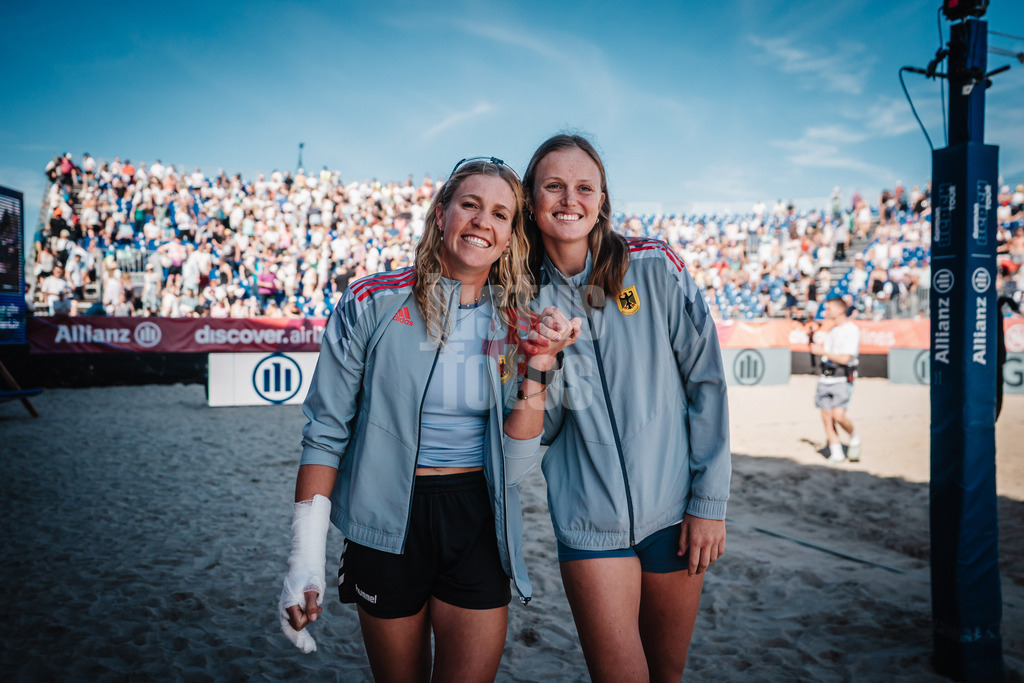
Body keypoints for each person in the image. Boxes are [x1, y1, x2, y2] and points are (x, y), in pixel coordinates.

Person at [279, 157, 580, 681]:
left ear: (510, 236)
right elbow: (325, 434)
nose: (483, 221)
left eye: (501, 214)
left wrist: (538, 367)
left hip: (479, 518)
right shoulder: (370, 300)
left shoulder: (519, 319)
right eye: (470, 204)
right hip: (384, 520)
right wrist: (304, 559)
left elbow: (513, 465)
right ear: (441, 214)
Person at [522, 134, 731, 681]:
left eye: (585, 187)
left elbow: (705, 382)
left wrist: (710, 502)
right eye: (554, 186)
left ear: (602, 200)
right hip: (591, 525)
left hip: (675, 514)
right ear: (530, 200)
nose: (571, 199)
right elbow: (536, 431)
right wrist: (542, 365)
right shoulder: (517, 297)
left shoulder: (655, 265)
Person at [809, 295, 861, 463]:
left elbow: (845, 359)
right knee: (826, 416)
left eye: (829, 308)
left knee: (838, 416)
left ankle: (853, 437)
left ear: (840, 309)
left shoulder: (851, 329)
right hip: (826, 378)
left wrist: (821, 352)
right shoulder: (831, 331)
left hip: (842, 379)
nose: (826, 311)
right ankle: (836, 451)